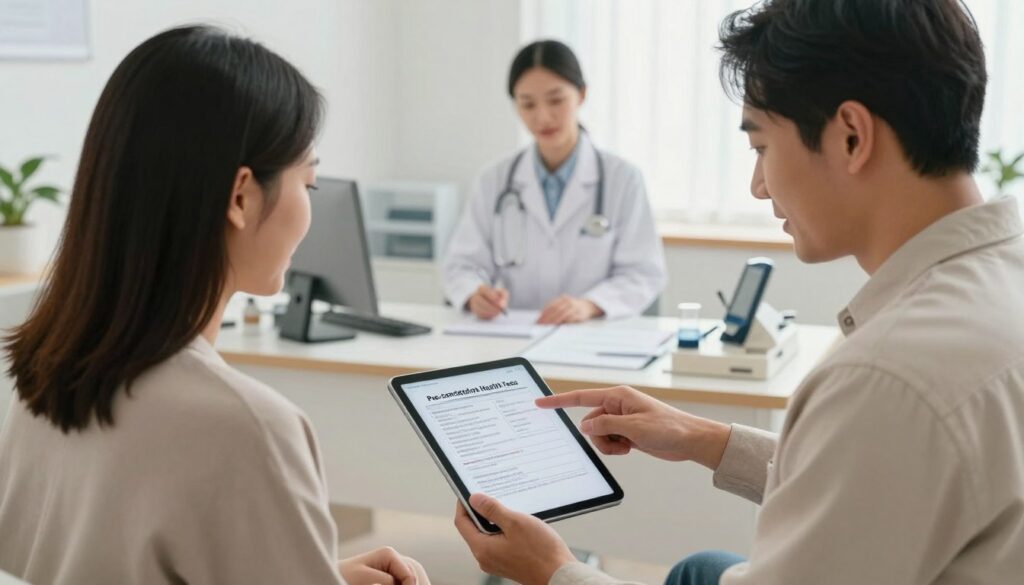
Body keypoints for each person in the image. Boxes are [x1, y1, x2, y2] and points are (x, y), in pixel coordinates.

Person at [453, 1, 1024, 584]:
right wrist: (705, 438)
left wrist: (554, 571)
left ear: (851, 136)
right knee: (703, 568)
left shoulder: (883, 378)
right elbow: (879, 476)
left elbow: (877, 438)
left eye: (760, 148)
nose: (756, 186)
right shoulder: (1005, 278)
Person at [0, 26, 430, 585]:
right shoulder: (247, 427)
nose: (309, 208)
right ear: (241, 196)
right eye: (310, 183)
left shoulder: (39, 374)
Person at [442, 40, 667, 325]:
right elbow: (461, 265)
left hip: (590, 337)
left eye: (556, 100)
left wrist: (590, 305)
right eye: (527, 104)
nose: (542, 116)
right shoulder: (494, 181)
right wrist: (475, 294)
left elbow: (643, 273)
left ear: (581, 95)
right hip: (511, 337)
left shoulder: (623, 179)